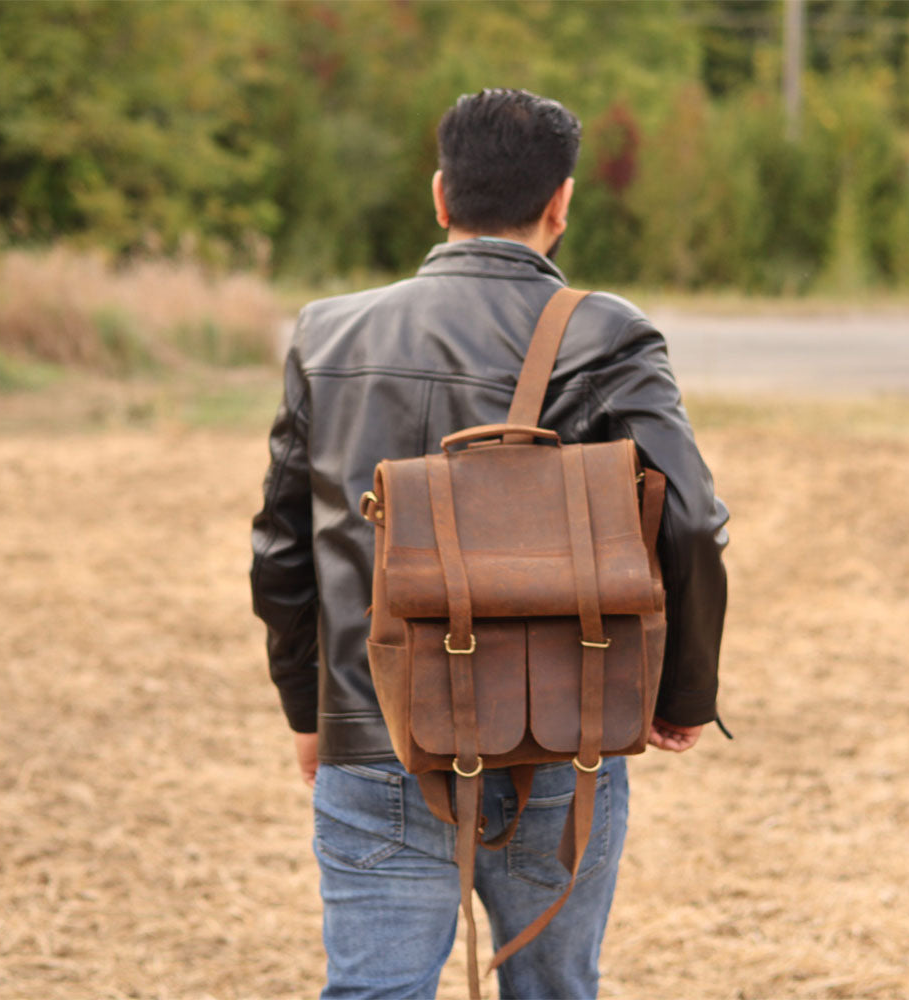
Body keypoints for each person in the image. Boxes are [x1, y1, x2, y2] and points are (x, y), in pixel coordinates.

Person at [250, 88, 728, 1000]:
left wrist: (309, 709)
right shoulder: (608, 333)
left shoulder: (327, 331)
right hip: (559, 731)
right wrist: (683, 694)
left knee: (372, 991)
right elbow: (692, 521)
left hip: (373, 728)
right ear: (562, 203)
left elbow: (282, 546)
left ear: (439, 196)